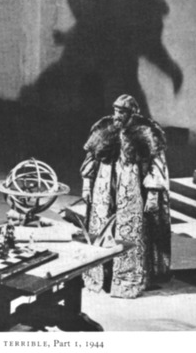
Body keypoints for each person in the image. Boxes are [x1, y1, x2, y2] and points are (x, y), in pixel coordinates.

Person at [80, 94, 171, 298]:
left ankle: (127, 278)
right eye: (116, 111)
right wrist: (86, 185)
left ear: (132, 113)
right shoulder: (104, 128)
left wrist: (153, 194)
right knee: (102, 228)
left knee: (129, 232)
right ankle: (102, 275)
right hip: (104, 186)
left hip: (131, 187)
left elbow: (157, 164)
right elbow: (91, 158)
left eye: (122, 112)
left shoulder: (147, 131)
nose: (117, 115)